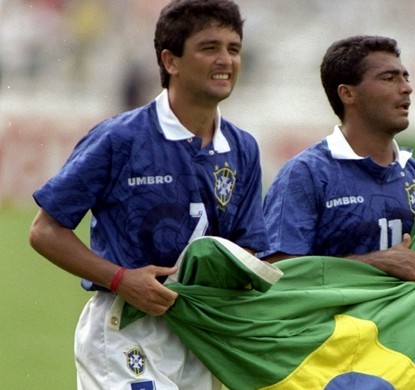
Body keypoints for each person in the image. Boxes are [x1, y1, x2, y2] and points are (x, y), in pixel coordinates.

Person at [28, 0, 267, 388]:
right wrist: (122, 279)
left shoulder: (243, 148)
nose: (226, 60)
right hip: (127, 329)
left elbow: (249, 247)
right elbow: (44, 230)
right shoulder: (120, 139)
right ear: (170, 61)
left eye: (233, 49)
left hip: (204, 334)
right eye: (210, 48)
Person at [261, 35, 415, 291]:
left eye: (405, 77)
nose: (406, 88)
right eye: (389, 78)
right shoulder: (307, 173)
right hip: (330, 330)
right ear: (348, 94)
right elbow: (277, 272)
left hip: (398, 332)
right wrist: (375, 263)